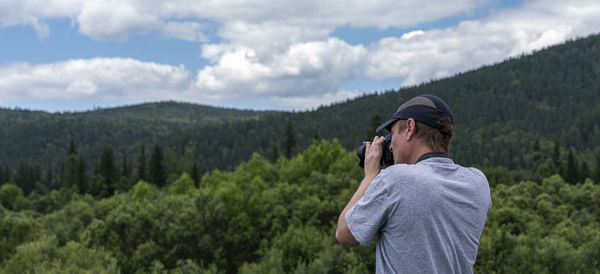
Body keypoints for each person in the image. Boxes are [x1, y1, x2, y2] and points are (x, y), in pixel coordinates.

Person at [335, 94, 491, 273]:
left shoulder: (395, 179)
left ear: (410, 127)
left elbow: (344, 234)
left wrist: (371, 176)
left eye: (392, 134)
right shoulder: (478, 182)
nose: (391, 146)